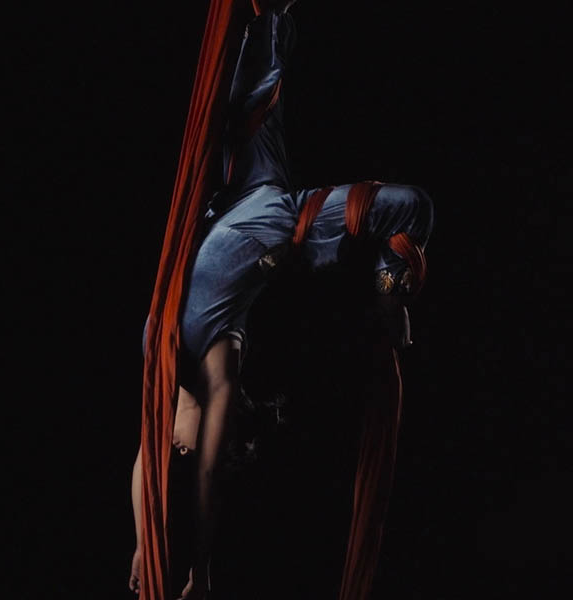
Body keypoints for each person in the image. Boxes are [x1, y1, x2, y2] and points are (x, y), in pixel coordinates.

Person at [130, 1, 433, 598]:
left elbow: (148, 467)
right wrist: (201, 566)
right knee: (411, 208)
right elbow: (206, 476)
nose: (176, 445)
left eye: (174, 447)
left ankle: (271, 12)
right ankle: (387, 299)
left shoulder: (162, 379)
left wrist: (149, 544)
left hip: (235, 196)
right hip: (272, 223)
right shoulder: (218, 365)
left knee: (259, 60)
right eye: (182, 447)